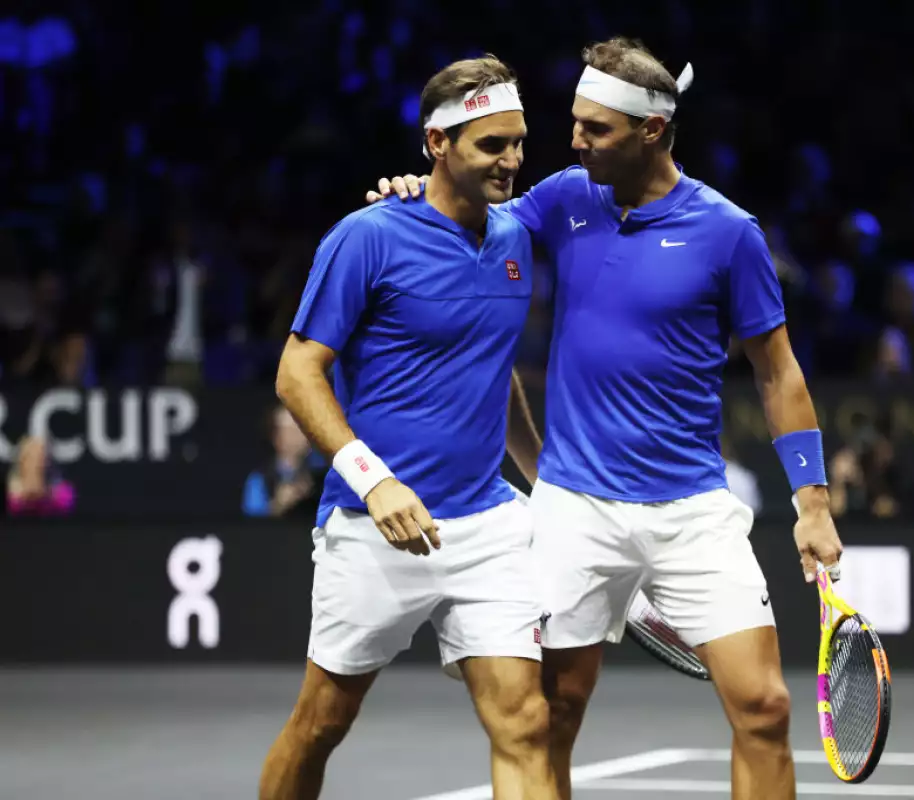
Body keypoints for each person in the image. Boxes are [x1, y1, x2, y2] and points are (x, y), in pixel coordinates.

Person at [370, 37, 843, 800]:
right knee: (551, 713)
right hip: (574, 509)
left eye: (596, 130)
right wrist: (410, 194)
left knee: (763, 706)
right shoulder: (564, 198)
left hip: (692, 508)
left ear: (651, 131)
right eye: (575, 124)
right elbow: (466, 221)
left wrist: (811, 501)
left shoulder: (730, 233)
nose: (574, 141)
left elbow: (777, 370)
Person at [259, 57, 557, 800]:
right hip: (372, 523)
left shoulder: (515, 239)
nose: (512, 161)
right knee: (322, 722)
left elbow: (494, 367)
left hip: (486, 526)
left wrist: (546, 480)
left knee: (524, 723)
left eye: (518, 143)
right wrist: (376, 479)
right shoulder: (365, 237)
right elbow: (297, 373)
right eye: (492, 146)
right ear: (437, 144)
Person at [242, 405, 324, 519]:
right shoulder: (260, 479)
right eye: (288, 430)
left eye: (300, 428)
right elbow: (250, 525)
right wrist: (278, 505)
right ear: (275, 436)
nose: (296, 436)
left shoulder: (322, 473)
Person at [6, 435, 76, 517]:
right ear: (22, 462)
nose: (39, 463)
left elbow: (68, 505)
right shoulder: (12, 493)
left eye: (42, 457)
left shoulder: (61, 490)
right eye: (31, 458)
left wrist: (47, 495)